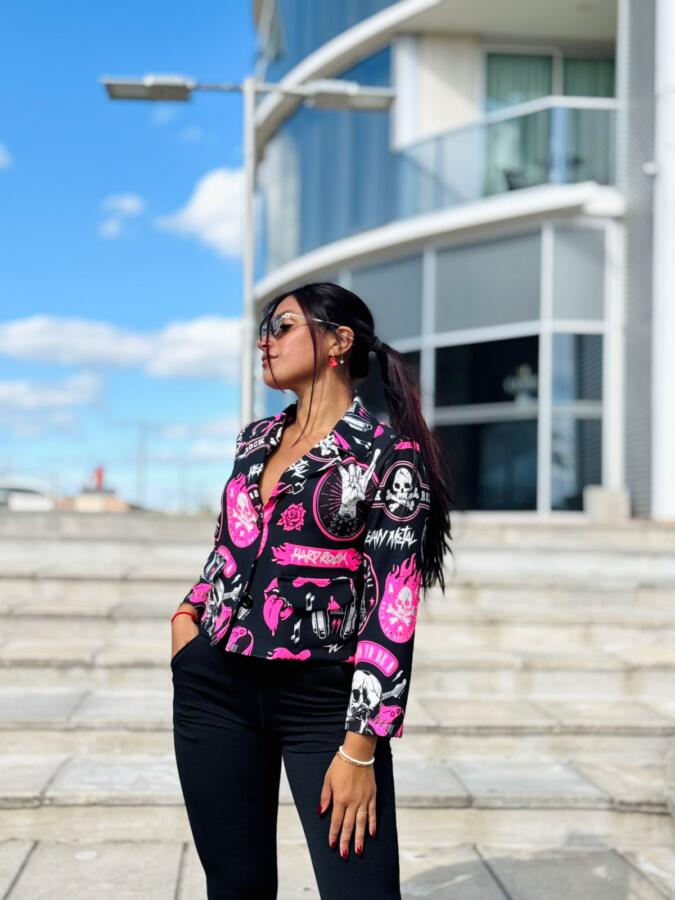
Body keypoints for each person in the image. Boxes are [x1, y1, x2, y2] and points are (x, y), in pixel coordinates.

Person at [171, 282, 454, 899]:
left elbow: (392, 607)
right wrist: (187, 619)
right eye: (264, 330)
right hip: (215, 686)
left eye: (283, 327)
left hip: (324, 702)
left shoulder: (388, 458)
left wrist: (360, 748)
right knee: (235, 886)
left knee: (361, 892)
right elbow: (230, 547)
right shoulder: (255, 441)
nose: (265, 342)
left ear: (338, 342)